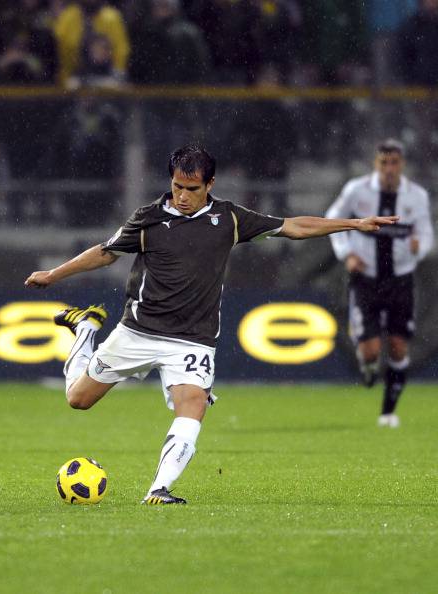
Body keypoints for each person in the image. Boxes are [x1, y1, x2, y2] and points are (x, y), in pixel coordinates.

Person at [25, 145, 398, 504]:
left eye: (192, 189)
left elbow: (293, 226)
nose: (182, 196)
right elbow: (106, 254)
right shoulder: (148, 218)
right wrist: (54, 275)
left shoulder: (229, 218)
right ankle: (86, 329)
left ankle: (159, 489)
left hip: (193, 339)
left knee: (193, 404)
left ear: (210, 184)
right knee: (78, 399)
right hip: (138, 331)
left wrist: (353, 224)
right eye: (177, 187)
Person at [326, 139, 434, 428]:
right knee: (371, 350)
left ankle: (388, 411)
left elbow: (426, 234)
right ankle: (369, 365)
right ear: (376, 164)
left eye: (394, 163)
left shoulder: (416, 196)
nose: (389, 169)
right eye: (384, 163)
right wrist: (347, 253)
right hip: (366, 280)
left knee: (398, 347)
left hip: (401, 280)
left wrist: (419, 246)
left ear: (402, 165)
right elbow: (332, 218)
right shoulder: (357, 190)